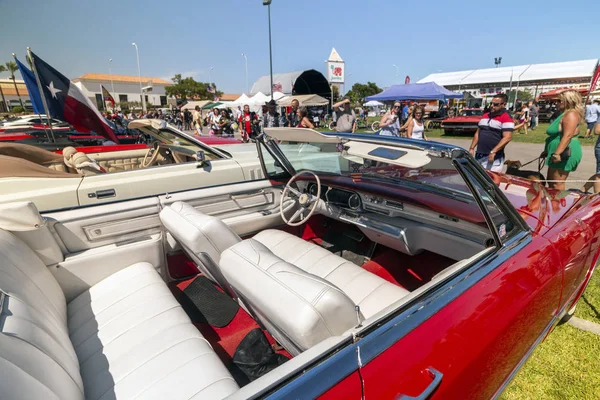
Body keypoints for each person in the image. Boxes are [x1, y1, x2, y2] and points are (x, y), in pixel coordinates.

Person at [543, 89, 584, 191]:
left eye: (559, 101)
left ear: (569, 101)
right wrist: (547, 151)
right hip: (558, 150)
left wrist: (557, 153)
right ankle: (553, 204)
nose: (556, 103)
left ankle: (558, 205)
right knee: (551, 182)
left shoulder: (571, 114)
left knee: (557, 184)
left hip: (564, 152)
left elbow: (568, 135)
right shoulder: (564, 114)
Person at [468, 93, 514, 172]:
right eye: (491, 103)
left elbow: (507, 137)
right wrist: (472, 148)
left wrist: (493, 151)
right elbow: (478, 133)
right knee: (476, 179)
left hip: (494, 157)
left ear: (504, 104)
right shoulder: (485, 115)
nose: (492, 106)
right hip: (479, 154)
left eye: (495, 104)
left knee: (491, 181)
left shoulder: (506, 118)